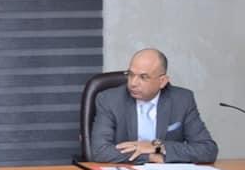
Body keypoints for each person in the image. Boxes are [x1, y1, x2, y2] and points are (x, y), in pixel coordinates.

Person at [90, 48, 218, 163]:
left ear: (162, 81)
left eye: (143, 77)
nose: (133, 83)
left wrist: (157, 146)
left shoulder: (182, 100)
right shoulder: (109, 99)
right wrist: (152, 157)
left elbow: (207, 150)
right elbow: (100, 151)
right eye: (130, 74)